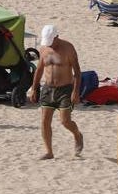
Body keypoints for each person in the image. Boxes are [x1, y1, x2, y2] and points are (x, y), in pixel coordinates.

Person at [29, 24, 83, 159]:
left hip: (65, 89)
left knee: (65, 121)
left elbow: (77, 71)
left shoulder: (68, 48)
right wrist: (34, 88)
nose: (49, 45)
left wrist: (75, 91)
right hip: (48, 89)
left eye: (51, 42)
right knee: (44, 121)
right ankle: (49, 151)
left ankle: (77, 134)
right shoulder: (44, 49)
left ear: (57, 37)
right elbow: (40, 69)